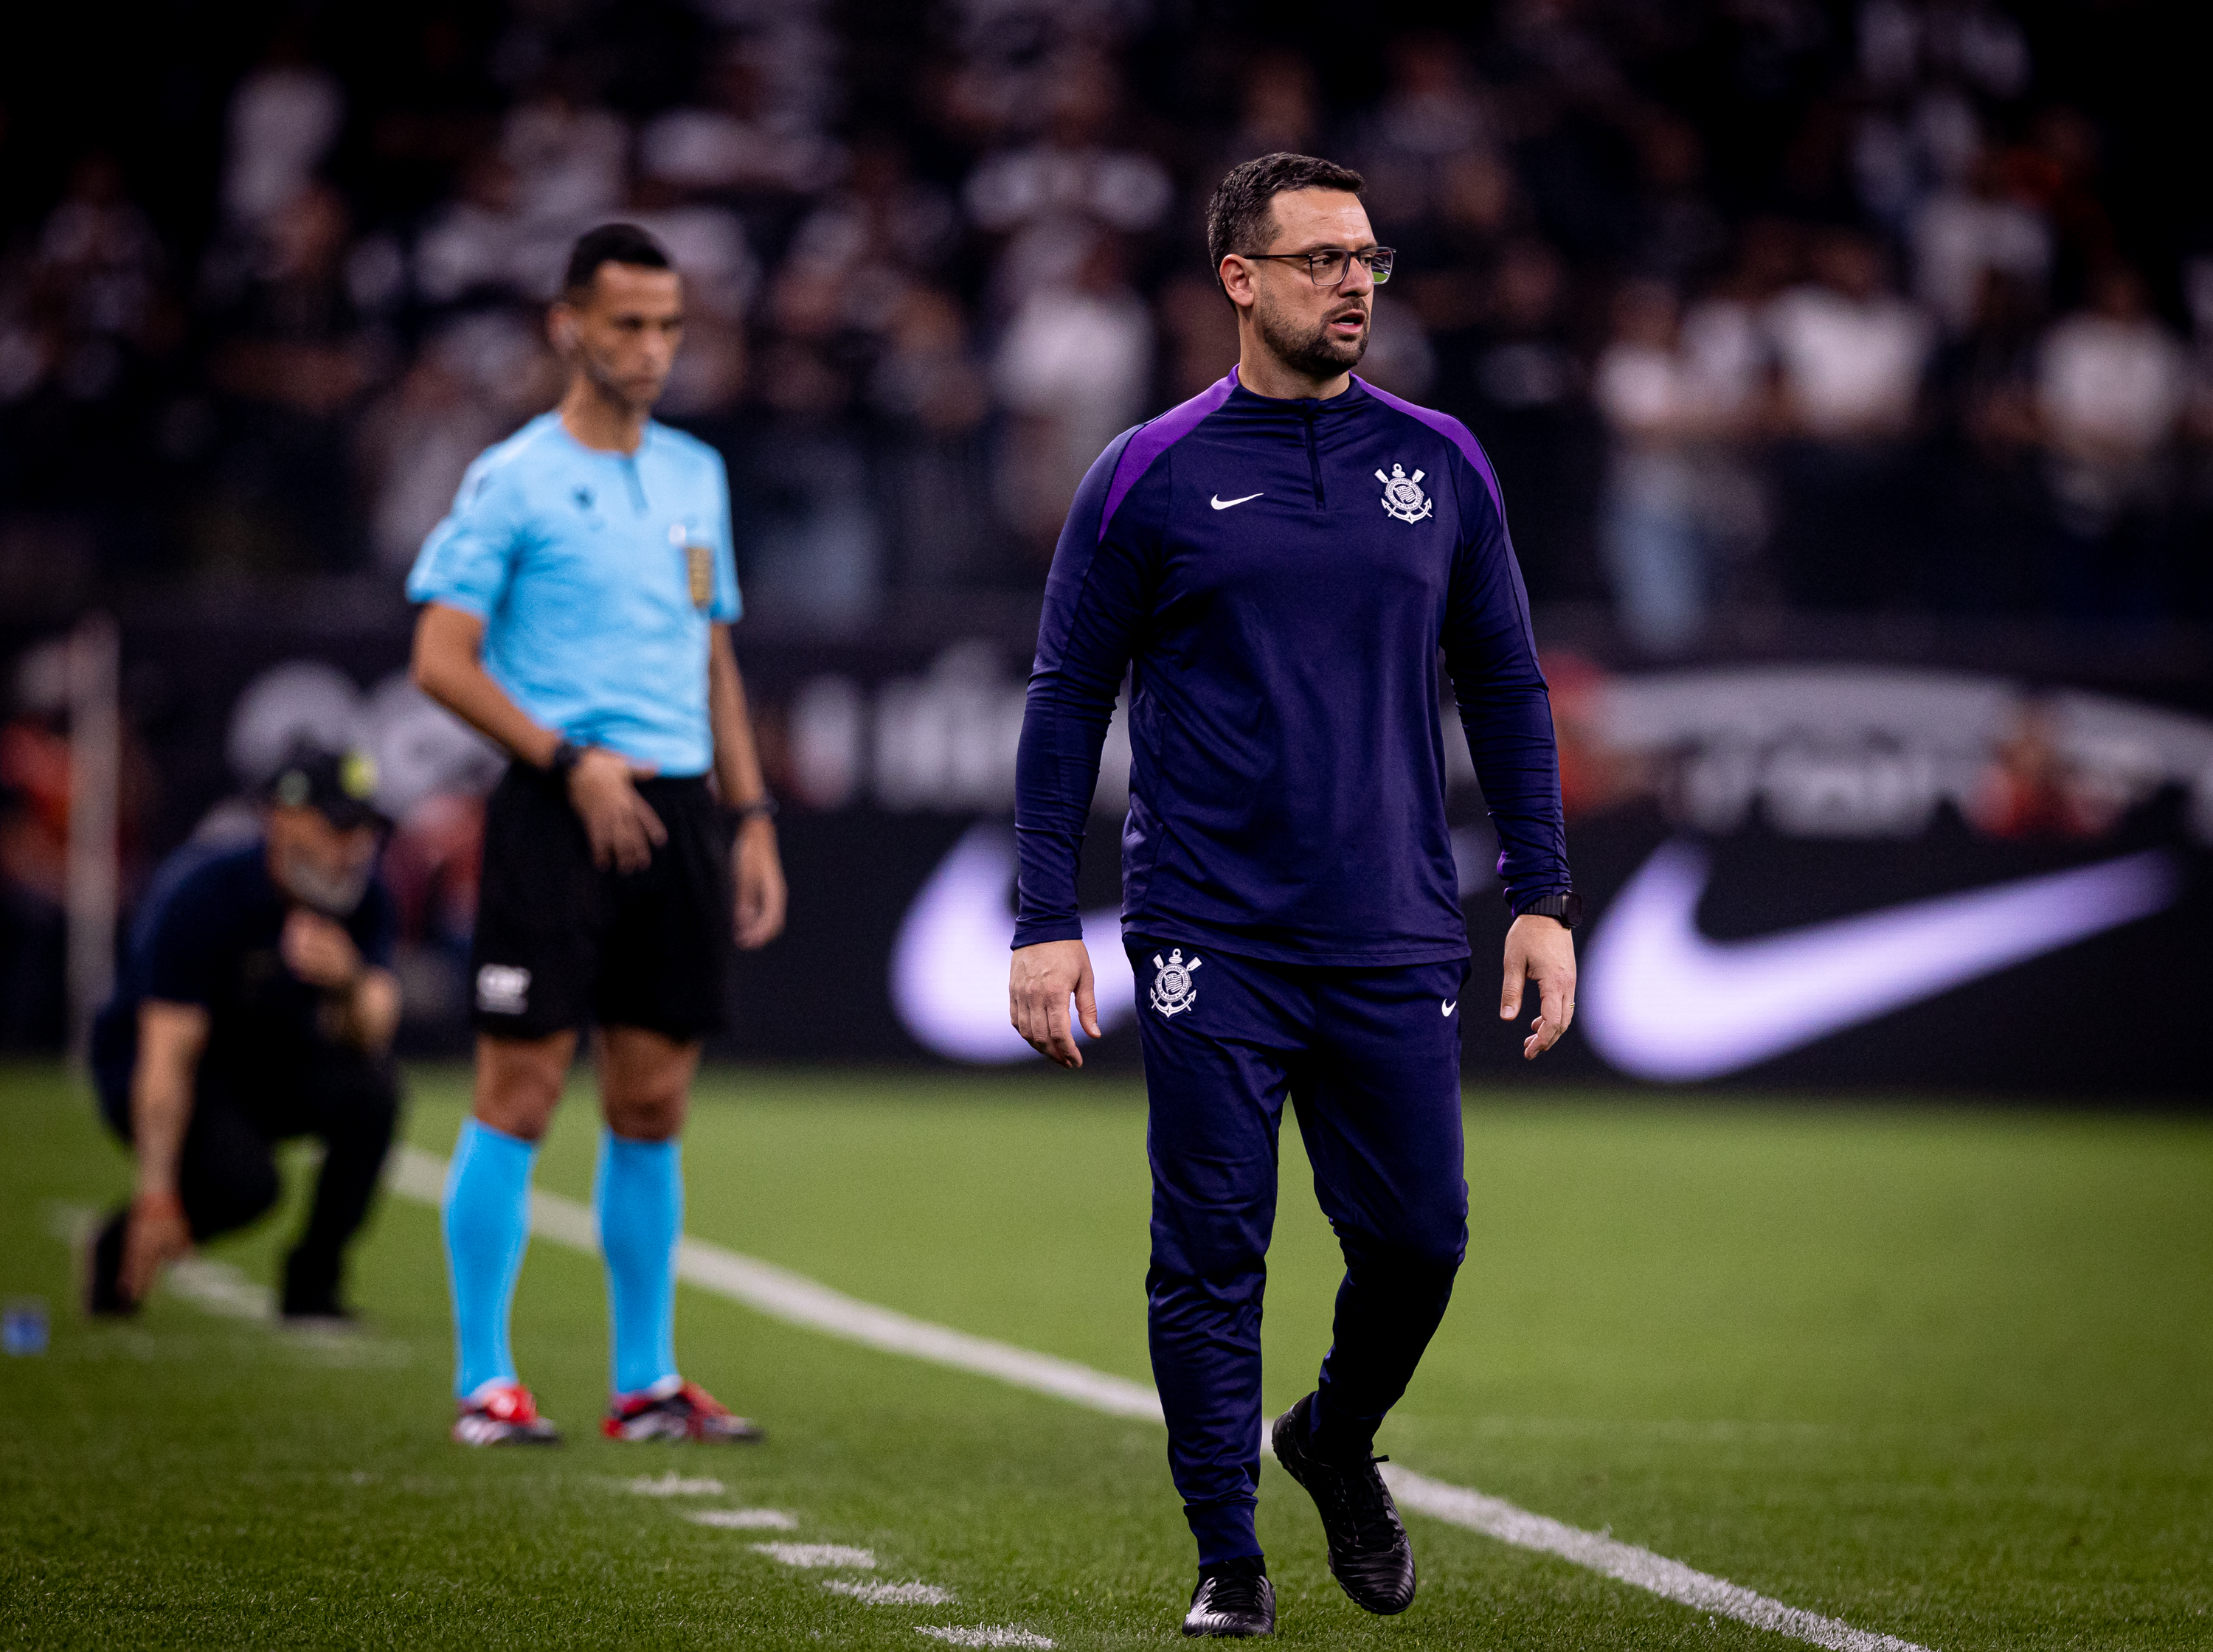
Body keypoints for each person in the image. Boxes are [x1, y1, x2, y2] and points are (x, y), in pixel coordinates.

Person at [1007, 153, 1578, 1638]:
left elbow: (1507, 685)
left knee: (1422, 1240)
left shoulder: (1441, 461)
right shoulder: (1147, 471)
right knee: (1210, 1251)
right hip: (1208, 933)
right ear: (1240, 278)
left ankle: (1332, 1436)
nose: (1354, 282)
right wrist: (1043, 918)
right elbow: (1065, 700)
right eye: (1322, 258)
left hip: (1394, 924)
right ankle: (1229, 1557)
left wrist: (1541, 893)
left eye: (1368, 258)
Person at [406, 222, 787, 1448]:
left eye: (669, 326)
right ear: (566, 326)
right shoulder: (513, 477)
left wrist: (750, 817)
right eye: (629, 324)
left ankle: (645, 1384)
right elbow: (440, 660)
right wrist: (567, 763)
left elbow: (713, 652)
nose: (654, 348)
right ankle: (485, 1382)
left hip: (678, 810)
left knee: (653, 1100)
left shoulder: (694, 475)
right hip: (556, 806)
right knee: (519, 1090)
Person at [86, 745, 401, 1322]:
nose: (355, 846)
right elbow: (166, 1052)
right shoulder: (205, 892)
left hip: (265, 1060)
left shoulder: (364, 896)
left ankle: (314, 1282)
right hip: (162, 1067)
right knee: (245, 1186)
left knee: (374, 1091)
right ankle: (122, 1244)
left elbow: (375, 1027)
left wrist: (348, 981)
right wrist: (157, 1192)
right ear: (281, 819)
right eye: (339, 826)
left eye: (365, 829)